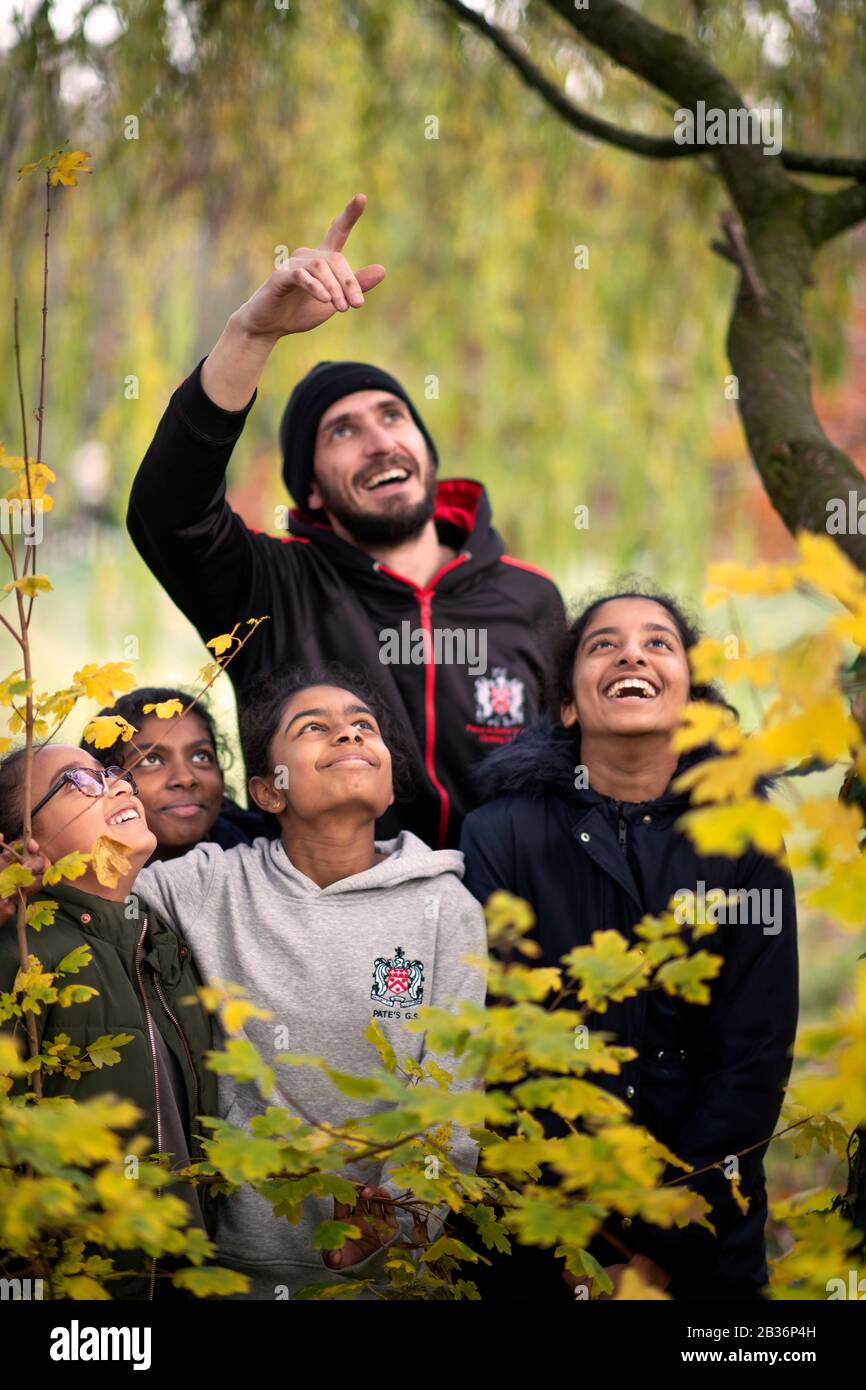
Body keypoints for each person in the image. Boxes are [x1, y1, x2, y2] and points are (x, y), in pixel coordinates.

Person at [127, 194, 565, 849]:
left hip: (503, 935)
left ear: (425, 449)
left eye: (394, 417)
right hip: (330, 936)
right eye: (343, 432)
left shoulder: (530, 597)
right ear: (312, 488)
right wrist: (251, 334)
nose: (380, 442)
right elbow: (169, 513)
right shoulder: (271, 589)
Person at [458, 590, 799, 1302]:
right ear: (570, 708)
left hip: (708, 1232)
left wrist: (659, 1255)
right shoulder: (501, 835)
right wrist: (588, 1251)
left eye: (658, 642)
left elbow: (752, 1058)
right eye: (603, 644)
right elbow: (507, 1046)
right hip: (543, 1230)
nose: (632, 654)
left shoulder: (745, 839)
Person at [131, 663, 488, 1299]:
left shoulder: (446, 906)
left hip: (397, 1263)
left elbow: (455, 1087)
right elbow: (90, 889)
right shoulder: (213, 884)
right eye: (315, 728)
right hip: (243, 1259)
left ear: (387, 786)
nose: (348, 736)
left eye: (363, 727)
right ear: (270, 793)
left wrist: (403, 1214)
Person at [0, 743, 219, 1300]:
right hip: (76, 1289)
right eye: (80, 781)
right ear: (23, 848)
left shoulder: (161, 940)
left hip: (183, 1274)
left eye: (112, 773)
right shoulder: (23, 958)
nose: (119, 785)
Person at [82, 687, 276, 857]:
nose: (185, 778)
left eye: (201, 756)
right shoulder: (65, 878)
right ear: (101, 783)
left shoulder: (271, 855)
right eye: (151, 760)